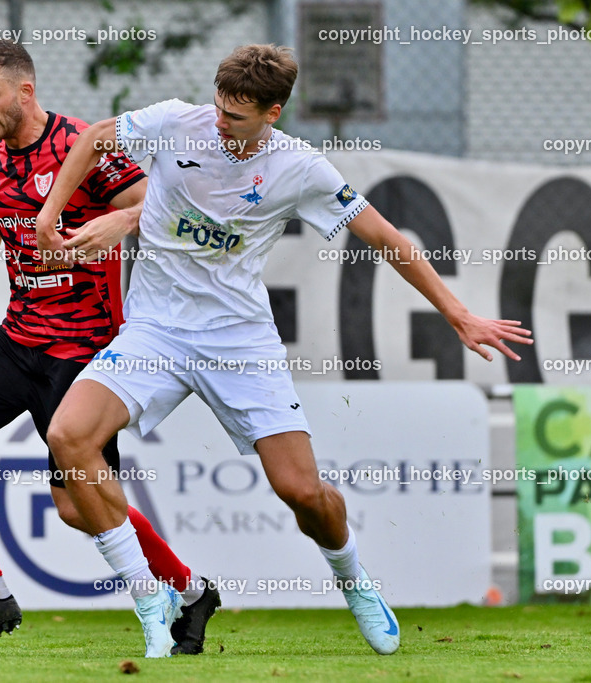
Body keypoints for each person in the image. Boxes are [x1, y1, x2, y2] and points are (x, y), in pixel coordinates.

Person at [35, 44, 534, 657]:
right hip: (155, 332)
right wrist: (46, 219)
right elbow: (94, 139)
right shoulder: (175, 121)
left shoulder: (300, 168)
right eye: (219, 105)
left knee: (301, 492)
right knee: (69, 436)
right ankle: (149, 599)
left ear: (273, 113)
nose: (220, 121)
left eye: (237, 115)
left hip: (239, 341)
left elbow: (383, 236)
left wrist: (457, 312)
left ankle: (353, 579)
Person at [0, 40, 218, 654]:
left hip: (84, 351)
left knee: (80, 509)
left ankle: (189, 589)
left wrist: (112, 229)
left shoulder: (85, 146)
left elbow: (152, 205)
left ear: (26, 91)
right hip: (17, 337)